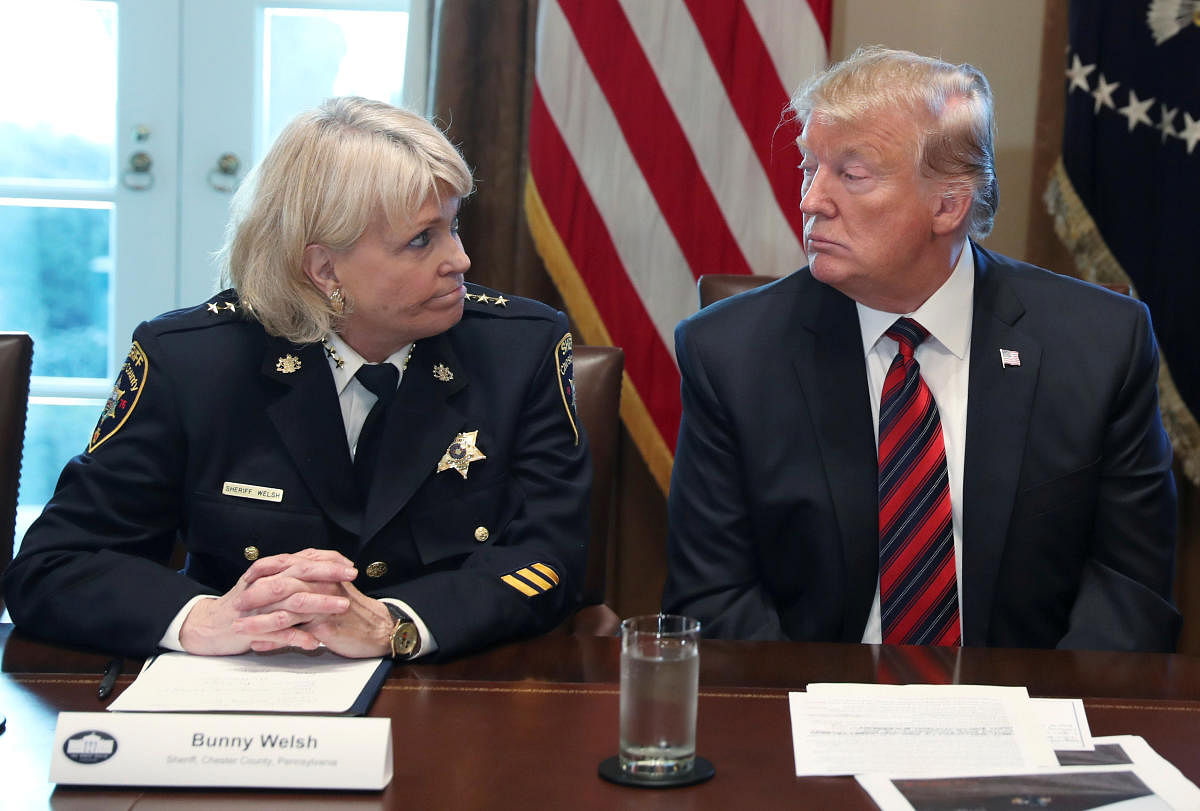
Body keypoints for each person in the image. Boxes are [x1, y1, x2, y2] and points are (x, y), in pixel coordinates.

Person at [4, 97, 591, 661]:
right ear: (324, 269)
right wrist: (203, 619)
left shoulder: (521, 349)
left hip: (452, 696)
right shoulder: (192, 362)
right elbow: (54, 566)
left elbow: (552, 558)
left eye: (452, 226)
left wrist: (398, 625)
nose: (459, 260)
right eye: (421, 239)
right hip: (239, 701)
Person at [662, 47, 1179, 651]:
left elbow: (1129, 589)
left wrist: (1034, 722)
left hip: (1024, 711)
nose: (811, 200)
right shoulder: (729, 354)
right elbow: (713, 597)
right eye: (810, 167)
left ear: (948, 204)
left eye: (852, 175)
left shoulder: (1100, 345)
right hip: (811, 708)